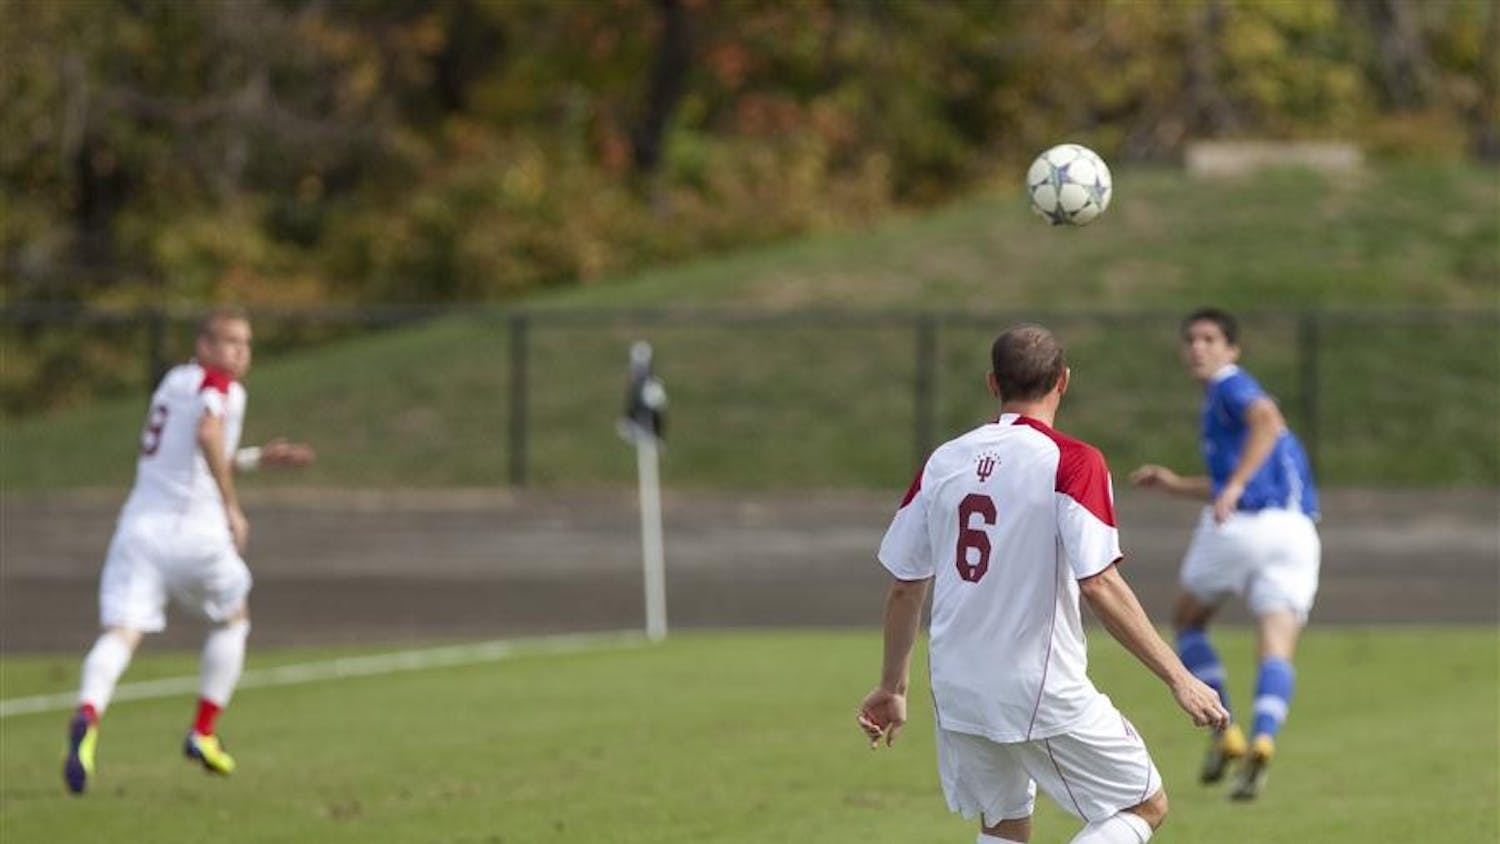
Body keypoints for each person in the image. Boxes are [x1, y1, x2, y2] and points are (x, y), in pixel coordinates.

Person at [856, 324, 1228, 844]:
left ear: (992, 383)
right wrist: (1179, 678)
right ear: (1063, 381)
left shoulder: (943, 461)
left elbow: (905, 586)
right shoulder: (1072, 461)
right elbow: (1098, 582)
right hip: (1037, 686)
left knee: (1004, 827)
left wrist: (893, 687)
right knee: (1143, 805)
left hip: (958, 688)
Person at [63, 307, 314, 795]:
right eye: (229, 342)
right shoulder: (216, 385)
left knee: (121, 633)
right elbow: (207, 434)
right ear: (203, 346)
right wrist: (233, 508)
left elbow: (196, 456)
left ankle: (88, 714)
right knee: (233, 618)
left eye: (246, 344)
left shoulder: (173, 383)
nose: (240, 353)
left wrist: (258, 459)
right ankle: (203, 730)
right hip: (195, 535)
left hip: (139, 531)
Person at [1130, 307, 1320, 801]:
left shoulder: (1231, 386)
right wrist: (1177, 486)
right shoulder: (1229, 397)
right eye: (1191, 339)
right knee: (1277, 646)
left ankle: (1224, 729)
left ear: (1231, 350)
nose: (1198, 348)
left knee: (1188, 623)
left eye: (1210, 339)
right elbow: (1239, 480)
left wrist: (1233, 485)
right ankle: (1263, 740)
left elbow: (1267, 420)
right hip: (1296, 533)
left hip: (1243, 530)